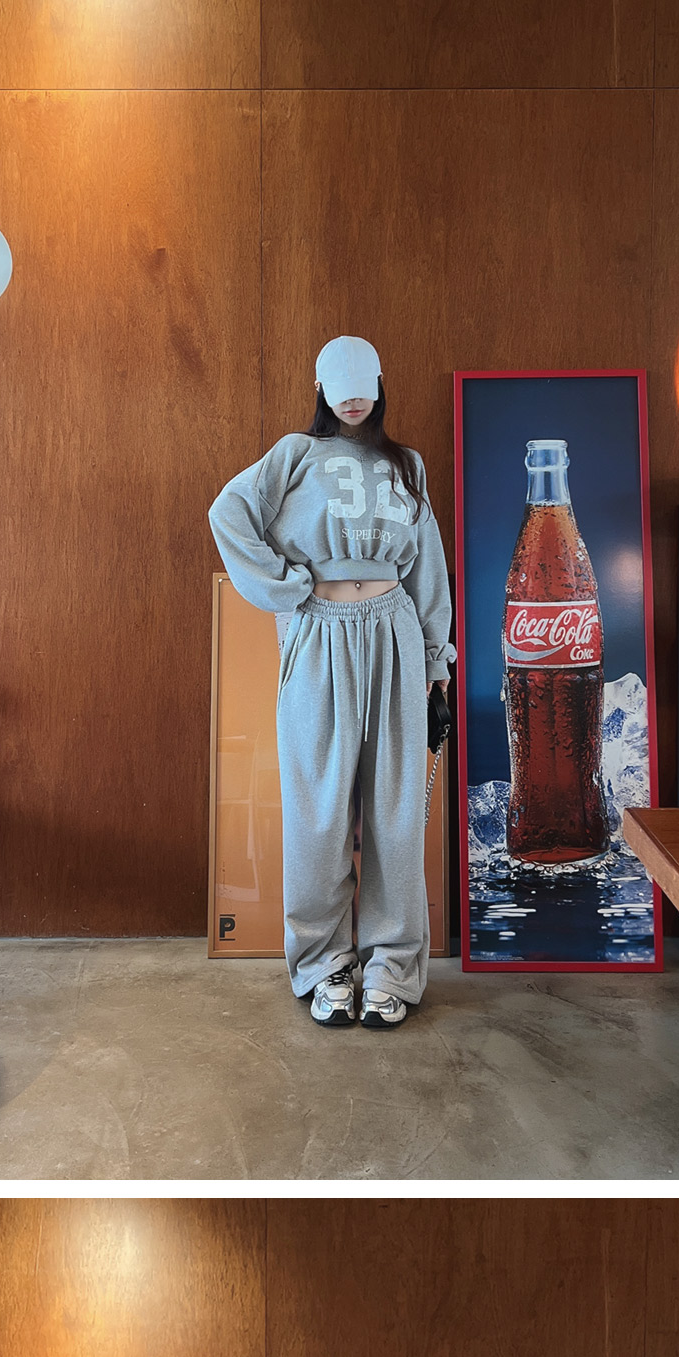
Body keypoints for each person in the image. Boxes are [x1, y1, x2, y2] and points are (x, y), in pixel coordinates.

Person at [208, 336, 453, 1024]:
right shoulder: (294, 454)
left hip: (395, 632)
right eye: (339, 388)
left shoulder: (407, 464)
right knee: (318, 813)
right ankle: (324, 964)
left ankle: (391, 966)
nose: (352, 400)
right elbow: (228, 512)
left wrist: (436, 663)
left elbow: (428, 567)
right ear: (319, 388)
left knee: (395, 814)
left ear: (380, 384)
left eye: (362, 386)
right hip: (320, 633)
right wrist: (286, 586)